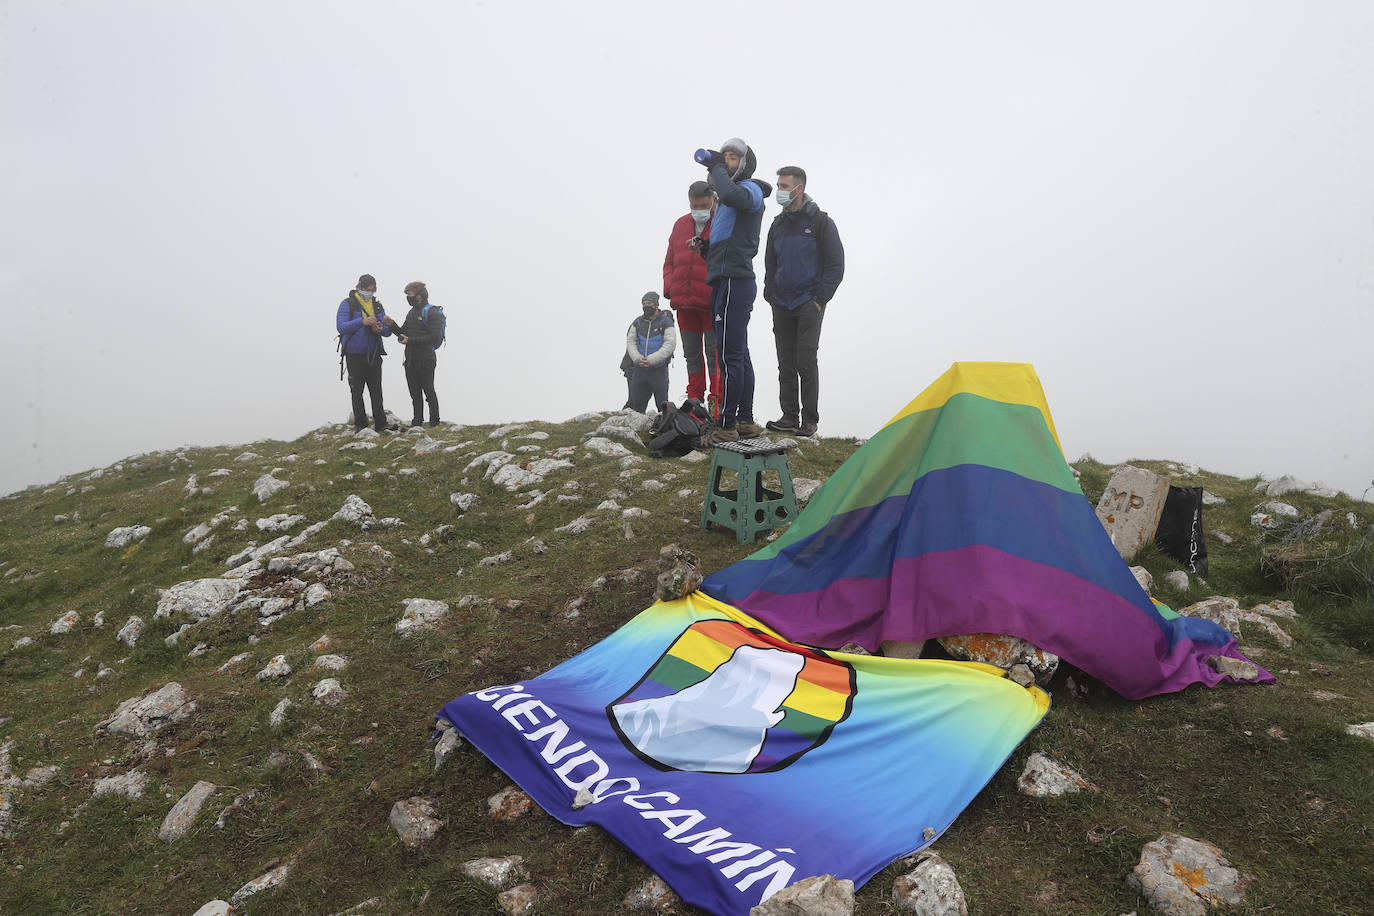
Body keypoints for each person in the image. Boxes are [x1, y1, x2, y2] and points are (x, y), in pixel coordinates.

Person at [690, 138, 772, 443]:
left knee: (728, 356)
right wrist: (706, 249)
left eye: (733, 157)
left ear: (746, 162)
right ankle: (746, 421)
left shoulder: (749, 190)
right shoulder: (727, 203)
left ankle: (725, 426)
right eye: (725, 156)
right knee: (738, 353)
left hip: (733, 282)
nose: (727, 161)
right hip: (726, 280)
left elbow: (727, 190)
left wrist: (714, 166)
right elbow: (729, 242)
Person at [763, 166, 845, 437]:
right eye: (778, 186)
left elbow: (836, 265)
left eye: (784, 186)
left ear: (799, 188)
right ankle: (789, 416)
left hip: (809, 303)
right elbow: (770, 262)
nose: (780, 191)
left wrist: (819, 300)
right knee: (785, 361)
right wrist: (770, 292)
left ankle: (809, 421)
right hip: (782, 303)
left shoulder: (821, 222)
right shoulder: (777, 224)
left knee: (805, 360)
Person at [662, 180, 719, 413]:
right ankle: (695, 398)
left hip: (710, 302)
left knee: (713, 354)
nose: (699, 211)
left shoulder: (721, 223)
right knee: (691, 354)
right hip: (684, 304)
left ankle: (717, 399)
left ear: (714, 201)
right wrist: (669, 288)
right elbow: (669, 261)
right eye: (695, 206)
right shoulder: (680, 225)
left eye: (703, 205)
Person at [336, 273, 395, 432]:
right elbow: (341, 326)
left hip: (374, 353)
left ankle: (381, 423)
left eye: (372, 290)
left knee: (376, 389)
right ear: (359, 287)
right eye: (367, 289)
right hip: (354, 354)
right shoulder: (347, 304)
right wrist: (362, 322)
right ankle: (361, 425)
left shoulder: (377, 306)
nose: (370, 293)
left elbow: (387, 332)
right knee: (357, 390)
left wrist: (381, 329)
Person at [386, 281, 443, 428]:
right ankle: (417, 422)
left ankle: (434, 422)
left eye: (409, 294)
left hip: (426, 358)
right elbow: (402, 333)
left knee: (429, 391)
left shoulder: (432, 312)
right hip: (410, 359)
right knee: (414, 393)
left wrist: (410, 340)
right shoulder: (411, 312)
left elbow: (434, 337)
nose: (407, 298)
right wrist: (391, 324)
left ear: (419, 295)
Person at [625, 292, 677, 413]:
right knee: (637, 406)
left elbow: (670, 344)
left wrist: (652, 360)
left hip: (659, 370)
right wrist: (637, 358)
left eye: (649, 303)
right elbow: (630, 341)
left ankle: (663, 428)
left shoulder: (665, 322)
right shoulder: (637, 322)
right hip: (640, 369)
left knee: (662, 406)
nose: (645, 306)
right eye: (643, 304)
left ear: (656, 305)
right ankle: (638, 430)